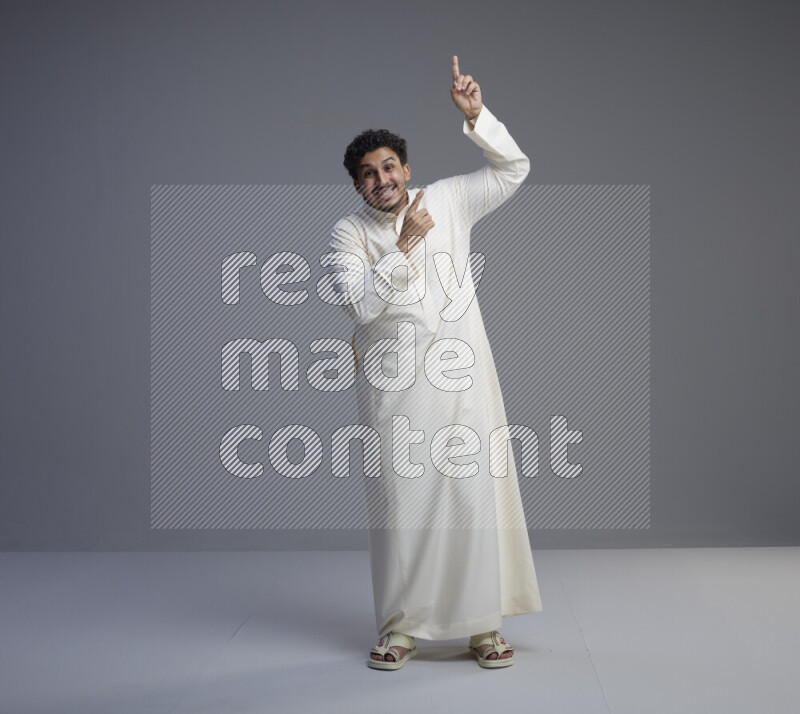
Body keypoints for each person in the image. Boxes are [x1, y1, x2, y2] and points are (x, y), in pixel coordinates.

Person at [328, 56, 542, 670]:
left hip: (461, 381)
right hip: (394, 390)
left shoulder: (445, 199)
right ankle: (400, 629)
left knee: (471, 500)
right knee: (402, 506)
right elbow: (360, 305)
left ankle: (482, 627)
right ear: (357, 186)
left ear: (407, 169)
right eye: (367, 175)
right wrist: (403, 245)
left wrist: (476, 117)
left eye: (389, 167)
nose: (381, 180)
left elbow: (513, 170)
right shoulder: (348, 234)